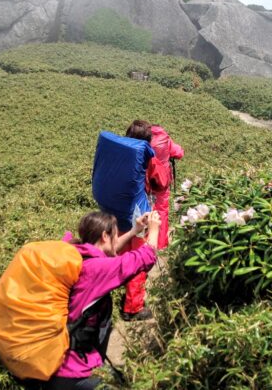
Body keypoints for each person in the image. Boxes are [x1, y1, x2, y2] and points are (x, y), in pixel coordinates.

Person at [45, 210, 161, 390]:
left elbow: (109, 253)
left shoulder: (77, 255)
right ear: (105, 236)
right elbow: (144, 258)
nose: (117, 239)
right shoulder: (96, 270)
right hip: (74, 371)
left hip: (55, 361)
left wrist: (133, 231)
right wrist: (154, 230)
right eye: (115, 234)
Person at [121, 120, 184, 321]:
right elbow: (162, 182)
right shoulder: (151, 155)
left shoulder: (123, 150)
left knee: (122, 250)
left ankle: (113, 286)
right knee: (139, 257)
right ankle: (132, 308)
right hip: (140, 212)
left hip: (119, 208)